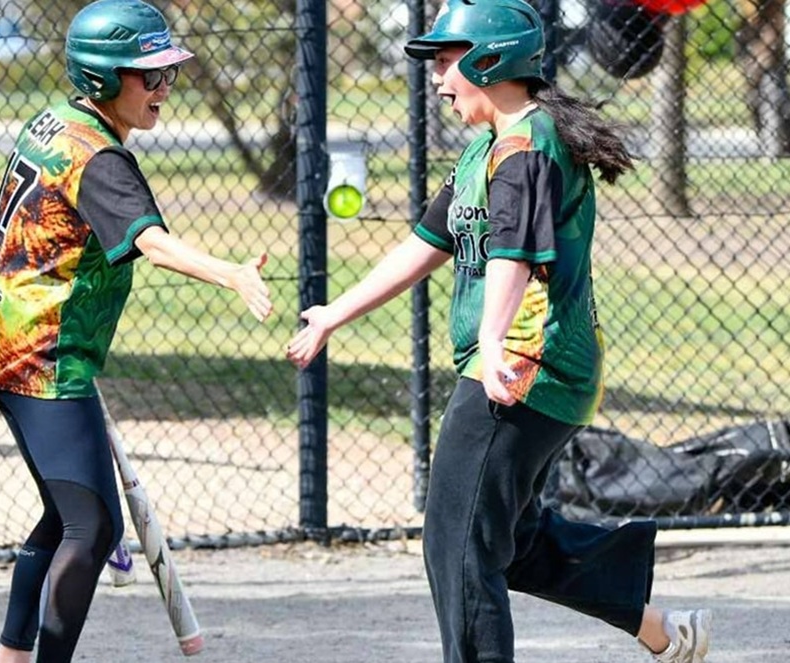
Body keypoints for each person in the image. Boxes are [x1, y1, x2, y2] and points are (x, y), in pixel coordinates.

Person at [286, 1, 710, 662]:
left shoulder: (526, 146)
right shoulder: (489, 147)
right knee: (505, 538)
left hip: (522, 366)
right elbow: (426, 243)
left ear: (490, 62)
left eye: (449, 61)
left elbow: (515, 255)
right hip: (526, 365)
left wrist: (489, 345)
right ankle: (659, 626)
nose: (439, 78)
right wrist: (334, 314)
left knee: (456, 545)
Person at [0, 1, 272, 661]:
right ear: (103, 80)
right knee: (93, 525)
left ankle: (11, 657)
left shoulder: (57, 121)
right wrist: (233, 274)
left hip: (1, 333)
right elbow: (152, 244)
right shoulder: (101, 159)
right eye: (148, 77)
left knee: (67, 513)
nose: (163, 89)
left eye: (168, 75)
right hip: (40, 354)